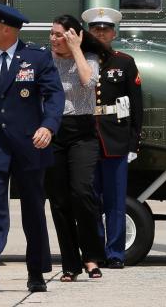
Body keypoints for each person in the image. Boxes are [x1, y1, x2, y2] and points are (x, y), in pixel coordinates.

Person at [0, 1, 64, 293]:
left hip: (30, 147)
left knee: (33, 210)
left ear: (5, 29)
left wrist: (48, 126)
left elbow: (55, 97)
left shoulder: (37, 58)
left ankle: (36, 271)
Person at [46, 14, 108, 282]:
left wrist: (75, 49)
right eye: (51, 33)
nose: (53, 39)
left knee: (82, 192)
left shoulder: (88, 58)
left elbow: (89, 82)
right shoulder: (45, 61)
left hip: (82, 133)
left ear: (73, 36)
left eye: (59, 34)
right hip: (53, 132)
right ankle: (70, 263)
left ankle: (92, 256)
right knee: (59, 201)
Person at [82, 7, 143, 269]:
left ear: (113, 33)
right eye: (96, 29)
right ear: (89, 33)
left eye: (105, 29)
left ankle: (116, 252)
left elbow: (136, 105)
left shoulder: (124, 62)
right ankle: (95, 252)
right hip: (86, 137)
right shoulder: (81, 60)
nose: (101, 33)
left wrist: (133, 143)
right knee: (90, 200)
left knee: (115, 201)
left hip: (115, 138)